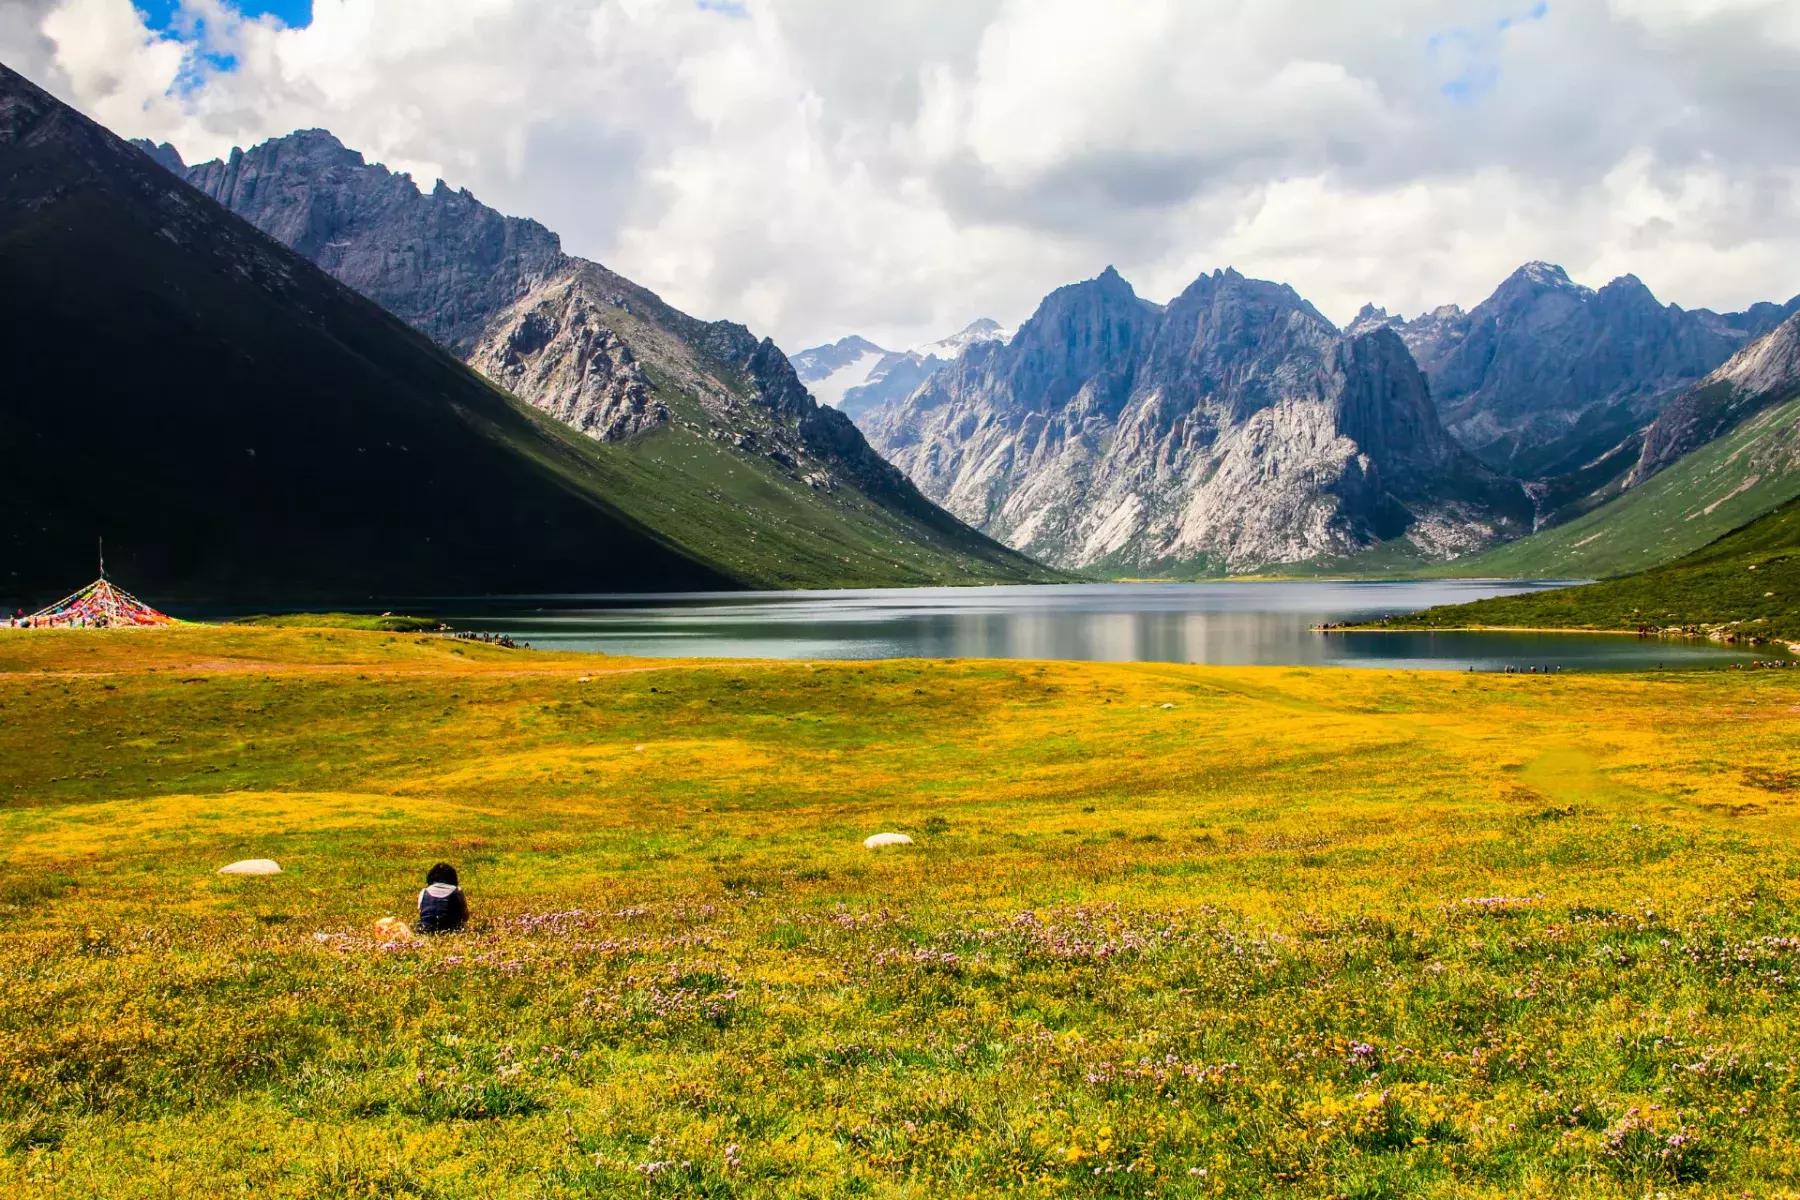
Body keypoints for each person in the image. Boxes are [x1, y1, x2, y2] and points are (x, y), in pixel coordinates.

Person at [415, 862, 470, 934]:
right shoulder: (457, 891)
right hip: (451, 930)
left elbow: (421, 912)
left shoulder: (424, 891)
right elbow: (465, 916)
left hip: (425, 929)